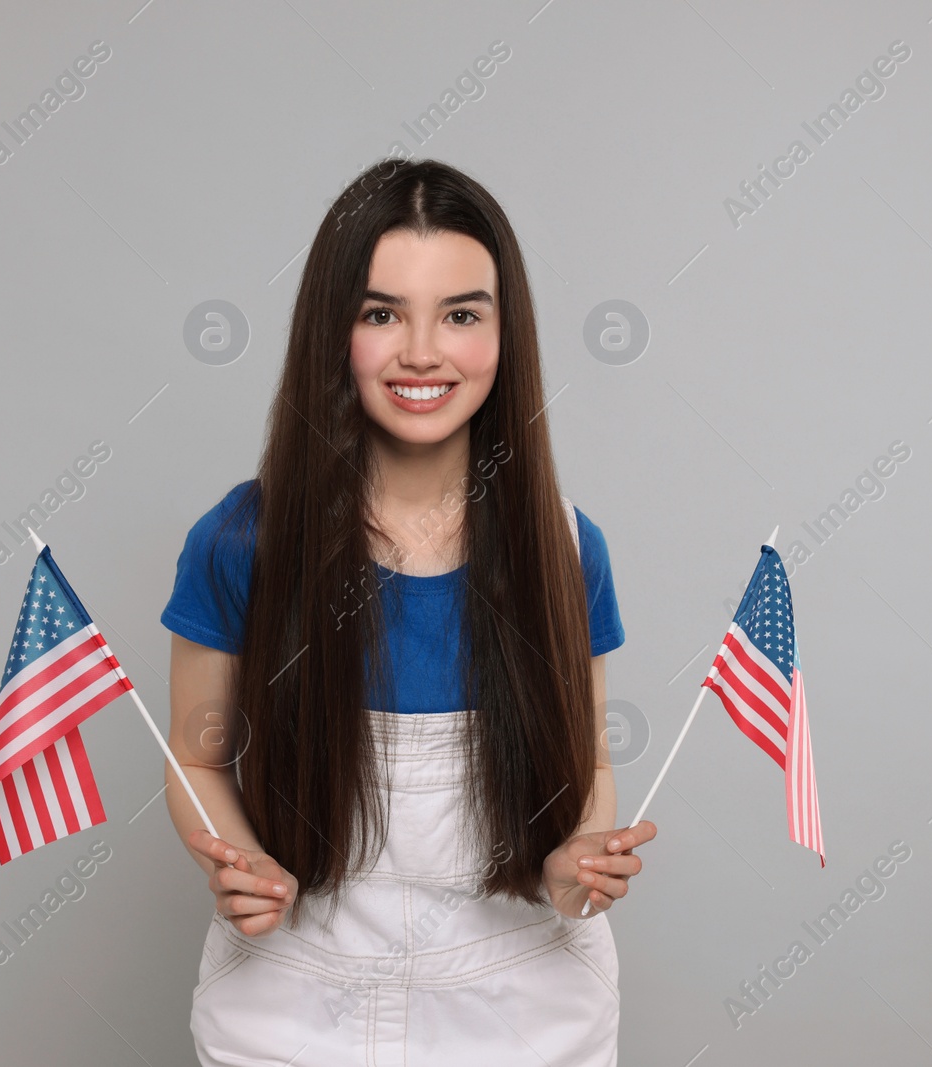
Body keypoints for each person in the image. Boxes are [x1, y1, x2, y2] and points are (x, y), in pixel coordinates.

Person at [159, 158, 657, 1065]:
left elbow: (586, 758)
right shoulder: (241, 542)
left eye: (461, 314)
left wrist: (574, 862)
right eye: (380, 313)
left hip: (527, 1001)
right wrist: (235, 863)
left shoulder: (567, 547)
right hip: (294, 998)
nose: (422, 352)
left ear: (507, 335)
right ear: (331, 330)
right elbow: (195, 758)